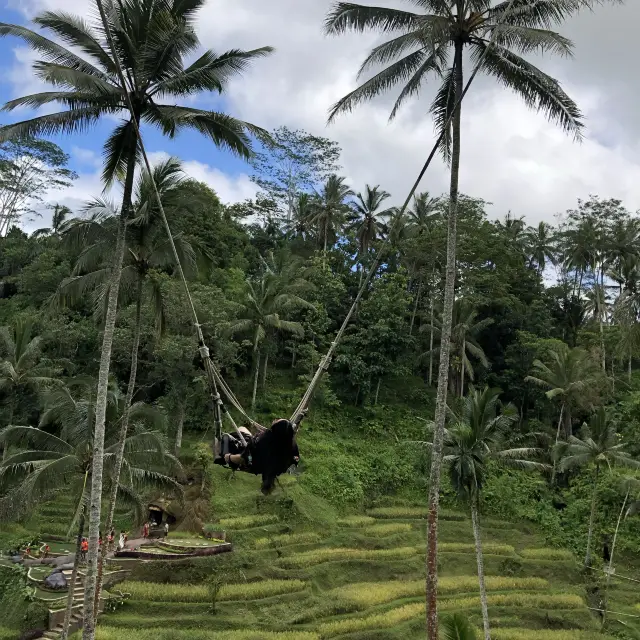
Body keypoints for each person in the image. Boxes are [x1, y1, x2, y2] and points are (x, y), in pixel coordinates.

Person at [216, 417, 301, 495]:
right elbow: (294, 459)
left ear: (274, 430)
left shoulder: (262, 443)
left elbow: (244, 459)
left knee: (224, 438)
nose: (275, 420)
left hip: (251, 463)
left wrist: (229, 457)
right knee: (242, 429)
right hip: (271, 463)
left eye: (277, 421)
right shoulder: (290, 445)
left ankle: (217, 460)